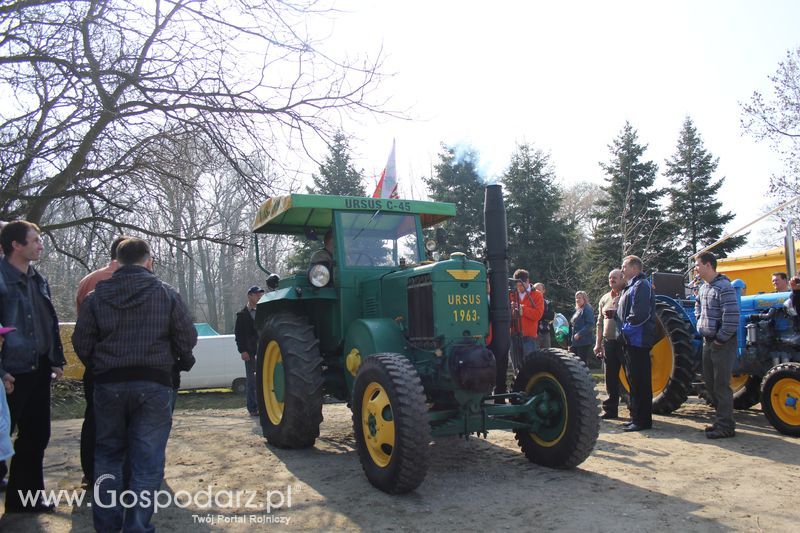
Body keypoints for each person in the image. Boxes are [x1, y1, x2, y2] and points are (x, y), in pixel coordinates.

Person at [72, 237, 197, 531]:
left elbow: (82, 342)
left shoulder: (96, 297)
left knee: (108, 457)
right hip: (154, 384)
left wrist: (101, 364)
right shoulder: (166, 294)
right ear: (148, 260)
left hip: (108, 384)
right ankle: (137, 526)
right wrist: (179, 360)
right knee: (147, 458)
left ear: (117, 261)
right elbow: (186, 337)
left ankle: (107, 525)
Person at [0, 220, 65, 512]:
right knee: (2, 436)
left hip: (38, 369)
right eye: (35, 240)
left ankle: (25, 499)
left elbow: (47, 321)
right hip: (10, 373)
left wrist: (56, 358)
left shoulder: (38, 279)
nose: (40, 245)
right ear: (16, 245)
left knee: (37, 434)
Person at [75, 235, 129, 485]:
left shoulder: (88, 280)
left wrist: (91, 361)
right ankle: (123, 473)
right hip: (122, 364)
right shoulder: (128, 281)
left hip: (96, 364)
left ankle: (90, 473)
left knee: (93, 419)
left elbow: (82, 328)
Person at [695, 251, 740, 439]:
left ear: (708, 265)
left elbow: (732, 316)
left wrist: (721, 338)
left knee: (721, 385)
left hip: (722, 343)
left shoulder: (724, 287)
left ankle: (726, 426)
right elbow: (698, 306)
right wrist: (700, 322)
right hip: (708, 342)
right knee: (711, 384)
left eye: (697, 265)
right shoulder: (704, 288)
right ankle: (720, 421)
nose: (695, 269)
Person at [616, 255, 656, 432]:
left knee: (640, 382)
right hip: (630, 341)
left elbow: (639, 314)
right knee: (633, 380)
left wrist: (625, 331)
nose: (622, 269)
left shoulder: (642, 286)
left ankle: (642, 421)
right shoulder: (630, 287)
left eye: (624, 266)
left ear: (634, 268)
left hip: (638, 340)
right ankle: (635, 417)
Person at [594, 269, 626, 420]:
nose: (611, 280)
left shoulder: (627, 295)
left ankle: (634, 410)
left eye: (615, 277)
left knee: (629, 377)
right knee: (610, 377)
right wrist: (598, 344)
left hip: (625, 342)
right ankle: (610, 410)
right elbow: (599, 323)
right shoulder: (604, 298)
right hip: (609, 343)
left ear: (622, 278)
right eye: (609, 277)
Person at [235, 285, 265, 416]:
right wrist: (243, 351)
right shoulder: (242, 315)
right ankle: (252, 408)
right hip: (250, 352)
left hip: (264, 351)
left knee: (264, 380)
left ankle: (264, 406)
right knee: (252, 381)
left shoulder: (264, 311)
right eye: (256, 294)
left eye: (260, 294)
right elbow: (239, 335)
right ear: (250, 296)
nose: (259, 296)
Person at [509, 269, 545, 360]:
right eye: (517, 286)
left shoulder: (537, 295)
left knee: (530, 366)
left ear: (528, 281)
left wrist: (522, 309)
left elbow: (538, 315)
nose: (519, 288)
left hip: (529, 337)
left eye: (521, 285)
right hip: (514, 336)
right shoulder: (511, 294)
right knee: (516, 367)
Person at [569, 291, 594, 364]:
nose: (577, 300)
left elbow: (590, 324)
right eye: (576, 298)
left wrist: (580, 334)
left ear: (584, 299)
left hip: (584, 341)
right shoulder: (577, 310)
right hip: (575, 342)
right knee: (575, 363)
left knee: (582, 363)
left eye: (579, 298)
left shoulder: (587, 309)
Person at [533, 282, 554, 349]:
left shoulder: (547, 303)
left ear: (543, 291)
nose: (537, 291)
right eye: (535, 289)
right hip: (534, 333)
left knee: (547, 354)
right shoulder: (530, 302)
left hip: (546, 332)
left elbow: (551, 316)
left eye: (539, 289)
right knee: (534, 354)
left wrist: (538, 314)